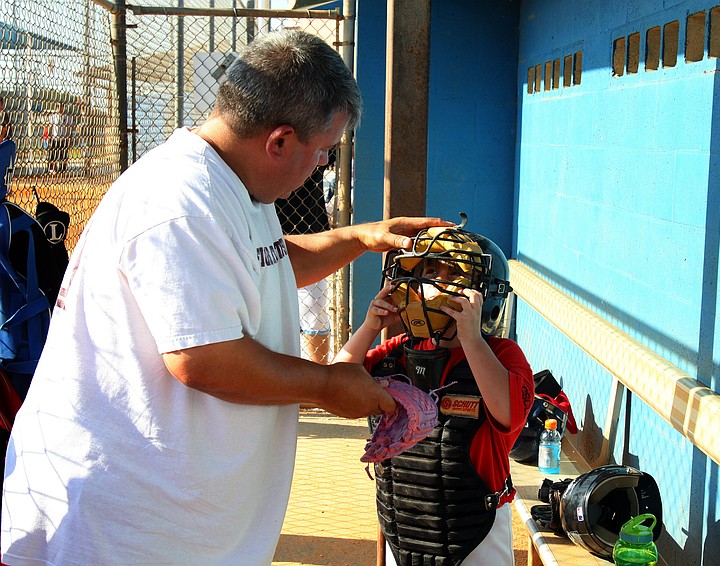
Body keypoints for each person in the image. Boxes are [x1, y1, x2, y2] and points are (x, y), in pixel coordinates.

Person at [1, 30, 450, 565]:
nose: (323, 167)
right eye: (323, 152)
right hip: (124, 529)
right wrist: (330, 385)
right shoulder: (179, 201)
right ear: (279, 141)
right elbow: (203, 359)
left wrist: (360, 237)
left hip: (176, 520)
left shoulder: (234, 179)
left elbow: (268, 261)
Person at [334, 223, 536, 565]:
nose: (430, 280)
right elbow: (335, 387)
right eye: (428, 269)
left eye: (448, 271)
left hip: (475, 530)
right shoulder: (396, 352)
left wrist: (471, 339)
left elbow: (509, 414)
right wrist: (369, 327)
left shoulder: (502, 354)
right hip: (405, 527)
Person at [276, 147, 337, 363]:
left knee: (314, 309)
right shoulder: (273, 155)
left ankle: (319, 370)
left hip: (310, 233)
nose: (323, 159)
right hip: (274, 234)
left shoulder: (318, 146)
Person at [46, 102, 72, 172]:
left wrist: (70, 139)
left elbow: (69, 129)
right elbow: (50, 127)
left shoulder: (67, 117)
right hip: (55, 138)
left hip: (64, 139)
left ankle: (62, 169)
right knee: (52, 154)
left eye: (61, 107)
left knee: (63, 156)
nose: (60, 108)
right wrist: (49, 137)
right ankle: (51, 169)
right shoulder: (53, 117)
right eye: (58, 107)